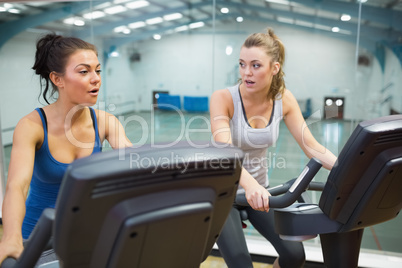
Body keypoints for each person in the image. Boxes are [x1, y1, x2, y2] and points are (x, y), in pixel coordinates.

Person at [0, 33, 132, 266]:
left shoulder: (105, 122)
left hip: (85, 235)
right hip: (38, 239)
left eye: (97, 71)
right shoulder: (32, 126)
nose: (96, 79)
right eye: (84, 72)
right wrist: (11, 238)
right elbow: (17, 186)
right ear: (57, 79)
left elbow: (135, 163)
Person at [209, 28, 337, 268]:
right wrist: (250, 186)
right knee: (239, 262)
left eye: (256, 65)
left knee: (294, 256)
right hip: (225, 193)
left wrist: (346, 169)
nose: (246, 72)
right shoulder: (223, 98)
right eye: (242, 64)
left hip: (260, 191)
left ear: (274, 68)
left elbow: (312, 146)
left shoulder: (283, 99)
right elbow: (225, 153)